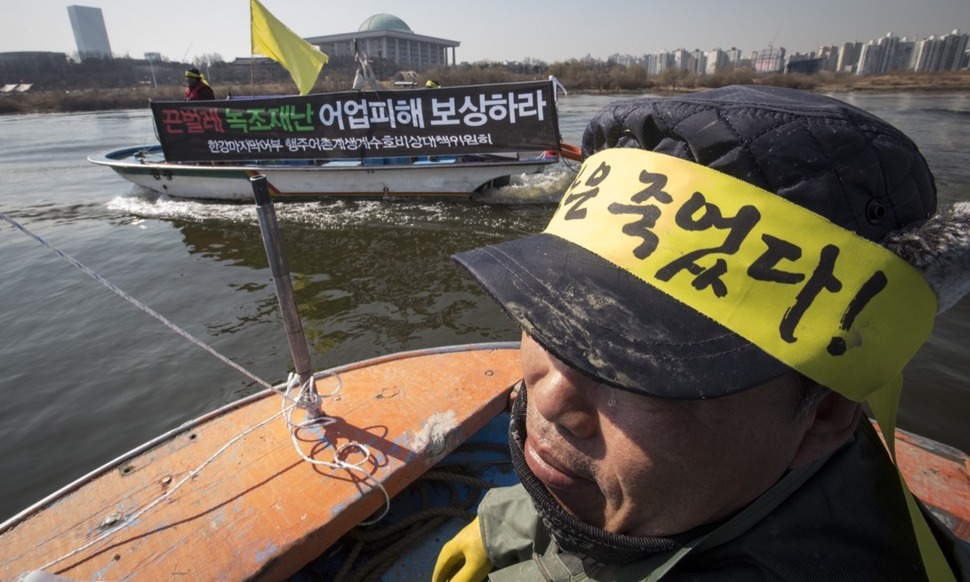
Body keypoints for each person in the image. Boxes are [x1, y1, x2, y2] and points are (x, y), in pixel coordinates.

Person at [434, 85, 970, 581]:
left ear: (825, 413)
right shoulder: (715, 479)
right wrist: (510, 519)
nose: (546, 397)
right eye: (549, 316)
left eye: (642, 369)